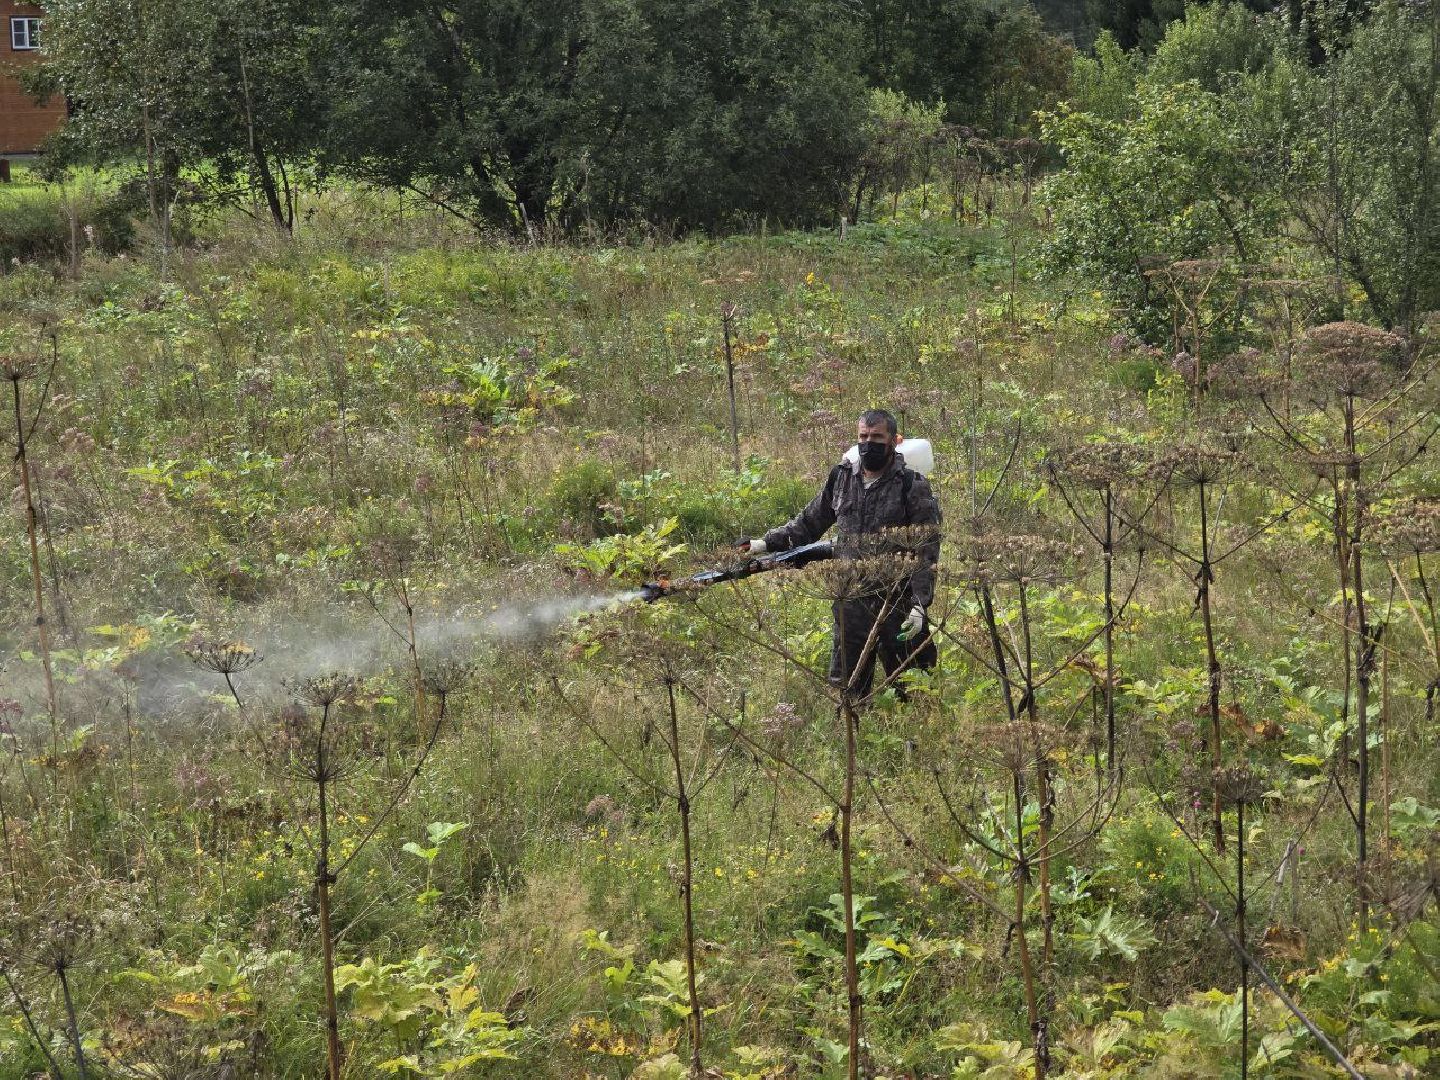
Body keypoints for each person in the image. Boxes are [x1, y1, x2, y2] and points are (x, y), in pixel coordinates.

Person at [738, 409, 941, 697]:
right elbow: (809, 522)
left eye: (877, 437)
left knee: (916, 686)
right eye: (863, 436)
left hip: (897, 600)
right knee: (849, 690)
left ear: (894, 441)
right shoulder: (842, 478)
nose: (869, 443)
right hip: (850, 601)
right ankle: (853, 732)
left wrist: (920, 605)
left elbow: (927, 549)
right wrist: (764, 544)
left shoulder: (911, 485)